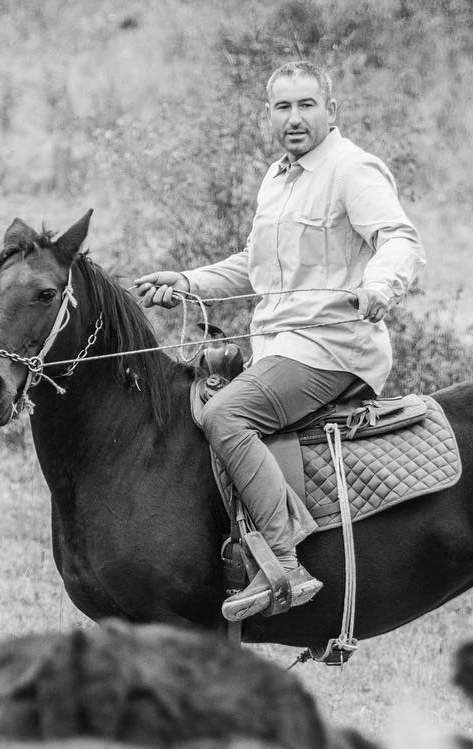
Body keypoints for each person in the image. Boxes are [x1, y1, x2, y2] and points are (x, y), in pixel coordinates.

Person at [136, 60, 426, 623]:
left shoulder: (352, 169)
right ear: (268, 115)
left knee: (225, 415)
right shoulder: (277, 178)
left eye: (307, 105)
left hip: (333, 349)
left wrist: (378, 286)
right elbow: (256, 267)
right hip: (280, 349)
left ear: (331, 111)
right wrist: (189, 281)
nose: (295, 118)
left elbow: (399, 239)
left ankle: (285, 563)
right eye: (283, 107)